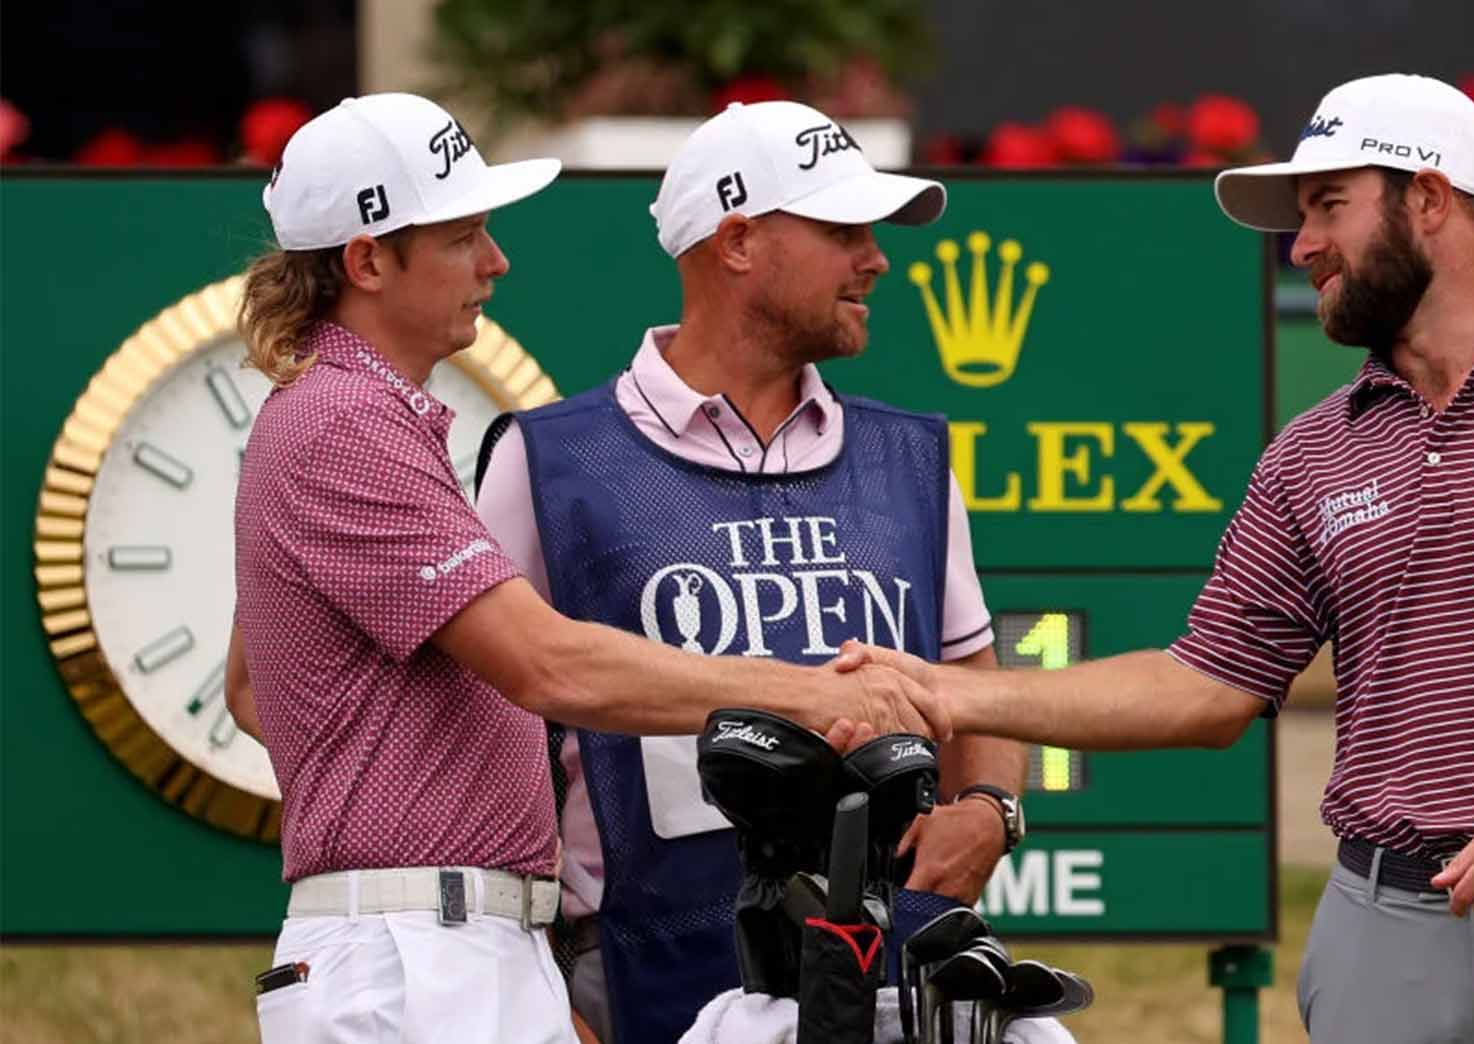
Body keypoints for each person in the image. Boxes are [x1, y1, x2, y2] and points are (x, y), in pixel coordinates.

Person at [839, 73, 1474, 1044]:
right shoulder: (1309, 451)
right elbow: (1200, 689)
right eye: (1298, 216)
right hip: (1384, 926)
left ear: (1428, 199)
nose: (1301, 246)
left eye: (1329, 204)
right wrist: (946, 696)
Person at [225, 93, 945, 1044]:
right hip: (419, 950)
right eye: (465, 236)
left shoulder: (346, 415)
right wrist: (802, 695)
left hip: (444, 935)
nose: (497, 261)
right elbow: (548, 668)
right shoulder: (344, 425)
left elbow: (254, 685)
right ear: (367, 260)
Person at [473, 99, 1026, 1044]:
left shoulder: (913, 457)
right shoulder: (547, 458)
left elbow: (976, 686)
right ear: (738, 241)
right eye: (843, 230)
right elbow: (477, 723)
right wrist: (532, 981)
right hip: (639, 975)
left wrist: (989, 807)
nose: (877, 259)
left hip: (893, 967)